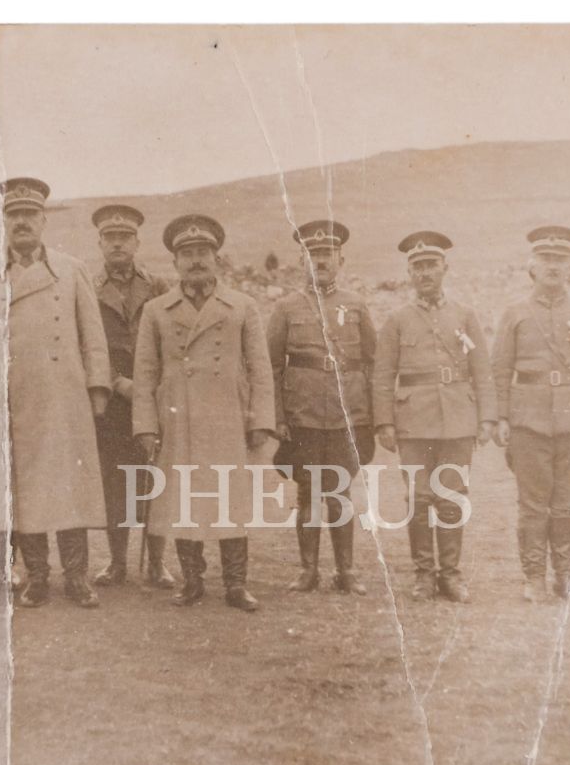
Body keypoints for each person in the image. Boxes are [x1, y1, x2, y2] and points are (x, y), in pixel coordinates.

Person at [0, 176, 111, 609]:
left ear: (43, 220)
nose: (22, 221)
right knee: (22, 490)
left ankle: (76, 576)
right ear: (4, 221)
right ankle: (37, 576)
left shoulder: (71, 269)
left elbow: (93, 337)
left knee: (69, 486)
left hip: (63, 396)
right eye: (13, 214)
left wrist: (98, 387)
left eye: (30, 214)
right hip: (7, 398)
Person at [132, 214, 278, 611]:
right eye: (187, 254)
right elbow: (145, 373)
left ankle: (236, 584)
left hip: (228, 415)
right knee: (184, 496)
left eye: (203, 252)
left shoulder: (243, 306)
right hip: (177, 417)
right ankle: (192, 581)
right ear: (175, 262)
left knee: (231, 496)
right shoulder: (156, 310)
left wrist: (261, 419)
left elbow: (260, 368)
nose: (196, 260)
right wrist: (145, 425)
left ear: (217, 259)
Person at [371, 231, 496, 603]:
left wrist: (486, 418)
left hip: (458, 418)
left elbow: (482, 370)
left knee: (452, 496)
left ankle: (451, 575)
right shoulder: (397, 320)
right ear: (409, 273)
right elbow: (382, 374)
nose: (425, 272)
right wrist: (384, 422)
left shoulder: (465, 315)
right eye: (418, 266)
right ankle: (424, 574)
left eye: (431, 265)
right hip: (413, 422)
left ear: (445, 268)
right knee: (419, 497)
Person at [492, 225, 570, 604]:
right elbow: (500, 369)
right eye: (546, 258)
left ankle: (565, 576)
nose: (553, 266)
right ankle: (533, 577)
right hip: (529, 419)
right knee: (532, 503)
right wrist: (502, 417)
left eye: (560, 259)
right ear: (532, 266)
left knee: (569, 502)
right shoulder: (515, 313)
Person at [266, 219, 377, 595]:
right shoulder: (286, 308)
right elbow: (271, 367)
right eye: (313, 255)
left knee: (340, 491)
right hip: (304, 415)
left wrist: (369, 416)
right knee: (308, 492)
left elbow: (372, 362)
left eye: (328, 254)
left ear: (340, 260)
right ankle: (308, 570)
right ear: (303, 261)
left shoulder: (356, 305)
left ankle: (346, 571)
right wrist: (278, 417)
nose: (321, 261)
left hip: (346, 415)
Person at [89, 203, 175, 590]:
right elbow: (86, 345)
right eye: (110, 237)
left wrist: (151, 386)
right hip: (109, 402)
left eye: (125, 237)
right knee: (115, 481)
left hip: (154, 399)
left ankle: (156, 562)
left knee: (155, 478)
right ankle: (117, 561)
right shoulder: (89, 289)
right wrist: (117, 383)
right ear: (100, 243)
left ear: (137, 242)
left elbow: (170, 341)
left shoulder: (158, 288)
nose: (117, 243)